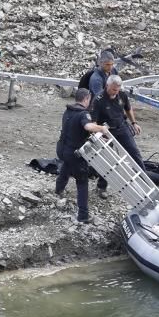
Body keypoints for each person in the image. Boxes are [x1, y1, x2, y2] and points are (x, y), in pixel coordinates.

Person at [55, 88, 111, 223]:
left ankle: (59, 190)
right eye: (89, 100)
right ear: (86, 99)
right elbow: (87, 127)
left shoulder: (68, 111)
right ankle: (83, 215)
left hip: (62, 149)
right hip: (75, 153)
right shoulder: (83, 114)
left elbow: (76, 130)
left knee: (66, 166)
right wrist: (102, 129)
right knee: (82, 182)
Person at [91, 74, 144, 198]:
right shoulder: (98, 99)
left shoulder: (122, 94)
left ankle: (144, 180)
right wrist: (98, 134)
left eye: (118, 89)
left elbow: (128, 108)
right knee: (109, 159)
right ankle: (101, 186)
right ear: (107, 85)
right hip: (106, 131)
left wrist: (134, 123)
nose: (116, 92)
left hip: (122, 127)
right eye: (114, 89)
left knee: (134, 153)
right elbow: (93, 121)